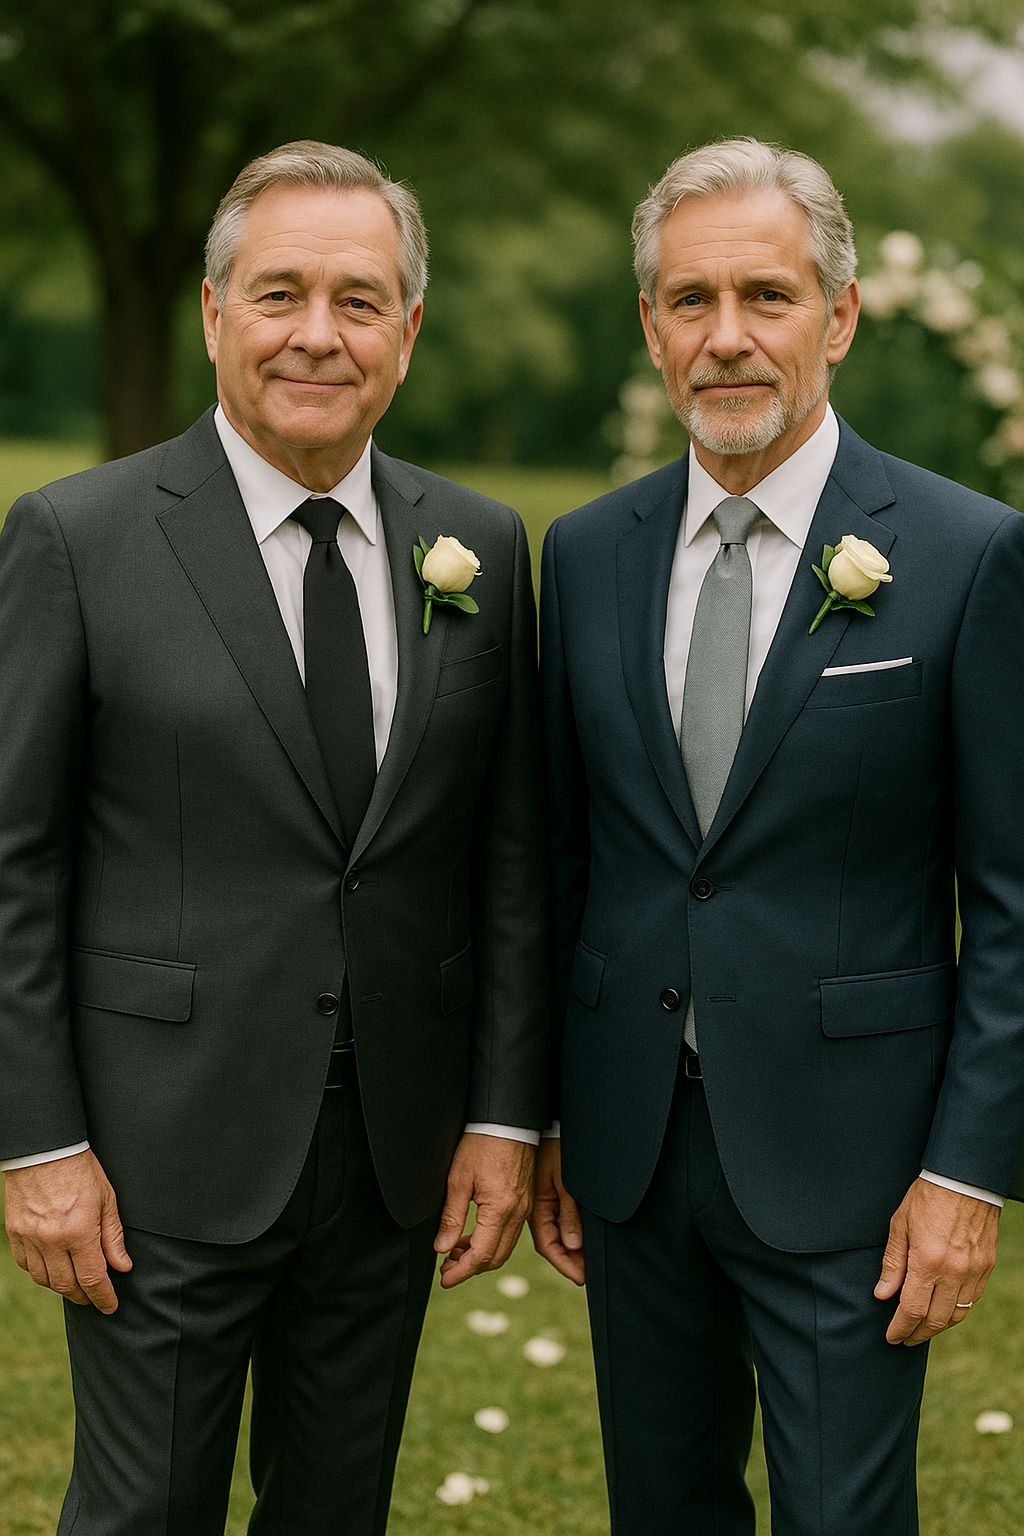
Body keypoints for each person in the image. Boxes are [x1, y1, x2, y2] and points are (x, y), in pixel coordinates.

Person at [0, 140, 551, 1535]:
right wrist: (38, 1145)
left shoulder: (478, 549)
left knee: (338, 1511)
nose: (319, 333)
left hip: (389, 1161)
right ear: (212, 312)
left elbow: (503, 855)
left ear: (409, 334)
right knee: (146, 1511)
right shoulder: (77, 539)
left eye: (360, 301)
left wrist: (497, 1115)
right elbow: (16, 863)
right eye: (281, 292)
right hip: (156, 1156)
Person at [531, 137, 1024, 1534]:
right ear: (650, 327)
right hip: (632, 1153)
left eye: (768, 295)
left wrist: (965, 1173)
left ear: (842, 314)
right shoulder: (582, 555)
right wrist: (557, 1104)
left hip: (856, 1164)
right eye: (691, 301)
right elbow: (570, 860)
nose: (728, 338)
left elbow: (1013, 899)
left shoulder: (966, 553)